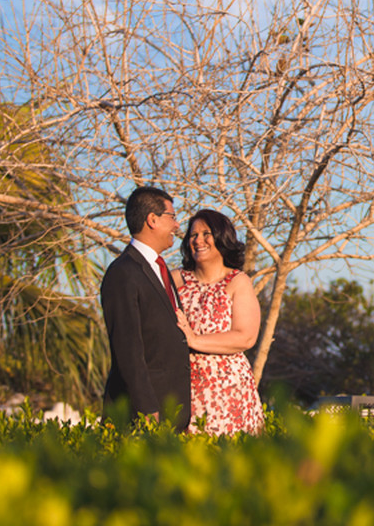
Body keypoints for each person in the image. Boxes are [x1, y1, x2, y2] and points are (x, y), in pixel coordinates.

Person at [100, 186, 192, 430]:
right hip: (143, 416)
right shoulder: (123, 272)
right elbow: (128, 349)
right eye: (172, 217)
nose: (176, 225)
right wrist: (147, 409)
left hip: (173, 412)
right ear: (152, 219)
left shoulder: (162, 271)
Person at [172, 208, 264, 435]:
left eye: (206, 234)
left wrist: (194, 340)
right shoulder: (175, 279)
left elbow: (246, 337)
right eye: (193, 235)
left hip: (227, 389)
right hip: (182, 387)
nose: (198, 240)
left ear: (221, 237)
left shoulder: (238, 281)